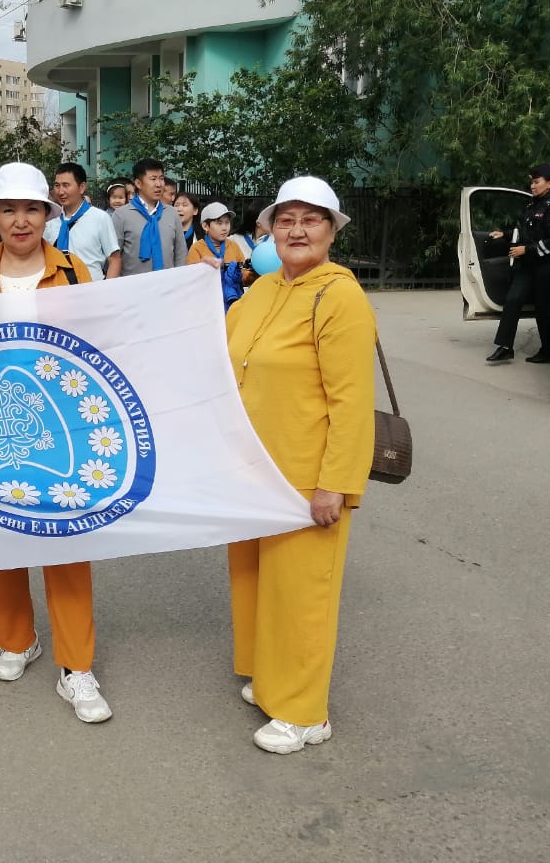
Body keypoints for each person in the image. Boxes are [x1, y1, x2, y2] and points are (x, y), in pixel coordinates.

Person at [0, 162, 111, 725]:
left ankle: (77, 666)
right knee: (1, 540)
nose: (20, 220)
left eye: (31, 209)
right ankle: (17, 640)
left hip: (62, 428)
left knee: (66, 545)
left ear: (48, 214)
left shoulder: (74, 273)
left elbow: (99, 346)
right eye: (9, 209)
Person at [224, 176, 376, 755]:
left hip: (305, 478)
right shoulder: (262, 290)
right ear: (269, 229)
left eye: (311, 219)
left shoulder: (339, 296)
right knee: (256, 582)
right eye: (286, 219)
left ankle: (305, 712)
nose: (296, 230)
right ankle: (270, 677)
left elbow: (351, 402)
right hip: (252, 471)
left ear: (332, 229)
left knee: (302, 593)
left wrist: (334, 486)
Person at [485, 163, 550, 364]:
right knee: (512, 300)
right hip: (528, 265)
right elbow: (525, 232)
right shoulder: (533, 205)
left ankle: (549, 351)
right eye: (531, 181)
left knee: (543, 308)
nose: (532, 185)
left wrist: (526, 250)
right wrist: (504, 234)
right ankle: (505, 347)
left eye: (536, 182)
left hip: (546, 267)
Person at [46, 162, 121, 280]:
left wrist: (107, 292)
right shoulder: (50, 221)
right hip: (59, 291)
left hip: (92, 291)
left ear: (82, 187)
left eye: (66, 185)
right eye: (57, 185)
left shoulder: (99, 218)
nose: (61, 192)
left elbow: (114, 259)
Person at [112, 159, 188, 275]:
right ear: (138, 183)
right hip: (133, 287)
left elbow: (181, 253)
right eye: (153, 179)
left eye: (161, 178)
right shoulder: (121, 215)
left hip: (168, 286)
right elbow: (114, 258)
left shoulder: (172, 213)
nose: (159, 184)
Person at [185, 202, 245, 266]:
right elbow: (192, 273)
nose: (224, 228)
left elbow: (244, 271)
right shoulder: (197, 248)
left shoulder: (234, 246)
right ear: (205, 226)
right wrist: (202, 265)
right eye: (219, 223)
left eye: (227, 222)